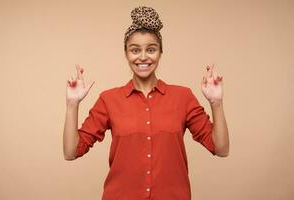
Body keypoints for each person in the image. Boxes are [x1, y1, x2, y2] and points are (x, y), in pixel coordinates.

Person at [63, 6, 229, 200]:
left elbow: (221, 148)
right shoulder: (109, 100)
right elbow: (71, 152)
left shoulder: (183, 97)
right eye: (135, 50)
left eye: (151, 49)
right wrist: (72, 105)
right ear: (126, 53)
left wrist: (216, 102)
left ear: (160, 53)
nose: (143, 57)